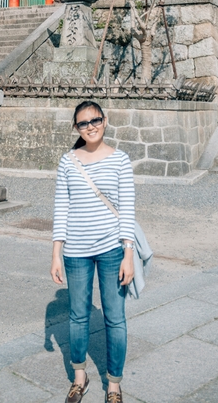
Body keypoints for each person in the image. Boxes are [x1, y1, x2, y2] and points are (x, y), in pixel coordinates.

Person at [51, 100, 135, 403]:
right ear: (76, 128)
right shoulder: (68, 161)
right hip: (75, 251)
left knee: (115, 317)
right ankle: (80, 377)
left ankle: (114, 384)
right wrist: (56, 253)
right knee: (78, 316)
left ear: (105, 120)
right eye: (83, 123)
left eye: (95, 120)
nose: (90, 127)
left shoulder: (120, 160)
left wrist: (128, 254)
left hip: (113, 249)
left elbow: (127, 209)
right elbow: (62, 207)